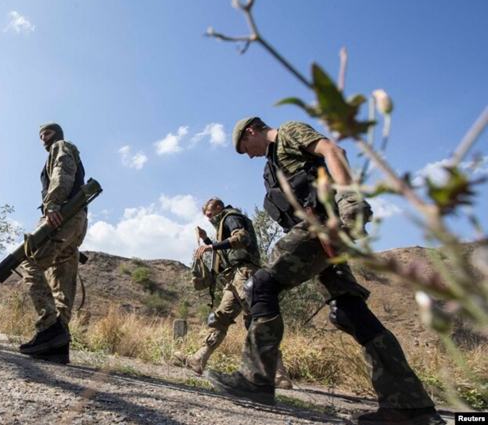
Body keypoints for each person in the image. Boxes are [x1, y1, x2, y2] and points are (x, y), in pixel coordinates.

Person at [205, 117, 443, 425]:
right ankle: (411, 407)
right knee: (349, 311)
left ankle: (256, 379)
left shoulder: (288, 133)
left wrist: (348, 198)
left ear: (251, 131)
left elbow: (333, 151)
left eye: (245, 148)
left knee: (260, 285)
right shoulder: (271, 166)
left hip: (321, 225)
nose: (248, 155)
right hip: (322, 239)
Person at [174, 197, 292, 389]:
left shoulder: (231, 218)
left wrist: (211, 246)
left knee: (257, 319)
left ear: (219, 208)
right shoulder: (224, 223)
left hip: (245, 274)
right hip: (234, 277)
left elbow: (242, 239)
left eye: (210, 214)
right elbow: (226, 252)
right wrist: (206, 240)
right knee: (221, 318)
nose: (209, 218)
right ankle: (198, 359)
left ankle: (279, 374)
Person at [17, 123, 88, 364]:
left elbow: (62, 171)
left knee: (31, 262)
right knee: (61, 279)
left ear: (56, 134)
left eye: (46, 133)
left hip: (63, 215)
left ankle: (49, 328)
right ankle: (59, 345)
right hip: (76, 221)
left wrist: (53, 205)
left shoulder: (61, 146)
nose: (43, 139)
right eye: (40, 136)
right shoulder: (62, 148)